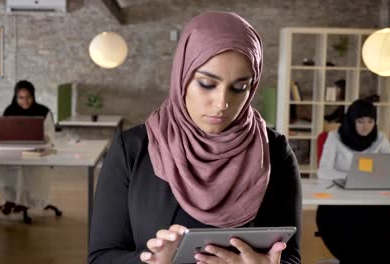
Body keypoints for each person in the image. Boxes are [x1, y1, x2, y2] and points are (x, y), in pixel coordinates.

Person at [89, 12, 302, 264]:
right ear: (182, 77)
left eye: (239, 87)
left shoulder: (274, 151)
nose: (222, 103)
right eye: (206, 83)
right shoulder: (132, 150)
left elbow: (290, 258)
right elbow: (100, 258)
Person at [317, 99, 390, 264]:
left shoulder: (380, 138)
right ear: (351, 120)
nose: (366, 126)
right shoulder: (334, 138)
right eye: (360, 121)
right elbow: (324, 171)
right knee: (353, 232)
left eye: (370, 121)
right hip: (341, 201)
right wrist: (352, 177)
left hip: (373, 200)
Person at [0, 80, 56, 216]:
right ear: (16, 97)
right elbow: (2, 133)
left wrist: (41, 136)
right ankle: (10, 199)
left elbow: (51, 134)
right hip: (13, 150)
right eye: (21, 98)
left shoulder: (43, 111)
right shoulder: (9, 110)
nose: (25, 101)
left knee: (28, 168)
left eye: (28, 97)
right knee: (2, 167)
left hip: (36, 150)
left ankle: (25, 201)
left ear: (33, 96)